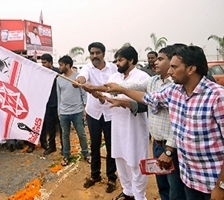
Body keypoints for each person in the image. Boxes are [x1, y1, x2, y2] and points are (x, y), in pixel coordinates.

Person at [105, 45, 224, 200]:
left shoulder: (217, 97)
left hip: (213, 182)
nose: (169, 71)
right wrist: (122, 90)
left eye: (174, 67)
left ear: (191, 69)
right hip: (189, 179)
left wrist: (221, 186)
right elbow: (149, 98)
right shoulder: (175, 91)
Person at [107, 45, 186, 200]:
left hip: (169, 146)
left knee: (175, 189)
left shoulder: (174, 86)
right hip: (157, 144)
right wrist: (94, 88)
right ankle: (128, 191)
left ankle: (138, 195)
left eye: (160, 59)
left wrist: (169, 150)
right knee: (163, 186)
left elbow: (149, 103)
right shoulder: (153, 81)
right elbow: (121, 88)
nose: (155, 62)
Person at [83, 46, 150, 200]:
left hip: (135, 128)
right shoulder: (114, 77)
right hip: (117, 126)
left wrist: (122, 102)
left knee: (135, 161)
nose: (117, 63)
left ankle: (139, 196)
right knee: (120, 157)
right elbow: (107, 96)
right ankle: (128, 192)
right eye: (117, 60)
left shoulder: (142, 77)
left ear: (131, 60)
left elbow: (146, 104)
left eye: (120, 60)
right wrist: (97, 94)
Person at [74, 42, 118, 193]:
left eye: (97, 53)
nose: (94, 56)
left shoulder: (113, 68)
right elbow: (82, 77)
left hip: (111, 112)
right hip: (94, 113)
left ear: (103, 54)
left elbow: (115, 87)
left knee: (112, 146)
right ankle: (95, 175)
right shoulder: (87, 67)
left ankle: (112, 177)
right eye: (92, 53)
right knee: (95, 145)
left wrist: (102, 96)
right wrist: (78, 82)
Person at [56, 55, 91, 166]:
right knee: (65, 135)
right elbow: (59, 97)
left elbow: (84, 94)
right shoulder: (59, 79)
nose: (59, 67)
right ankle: (66, 156)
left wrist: (85, 109)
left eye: (61, 65)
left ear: (68, 65)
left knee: (81, 134)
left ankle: (86, 153)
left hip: (77, 111)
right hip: (64, 112)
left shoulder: (78, 78)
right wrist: (59, 112)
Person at [38, 53, 62, 155]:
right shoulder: (41, 73)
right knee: (50, 127)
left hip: (59, 104)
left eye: (45, 63)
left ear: (51, 62)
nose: (43, 65)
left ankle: (64, 148)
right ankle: (51, 146)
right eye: (42, 63)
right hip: (47, 104)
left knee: (61, 128)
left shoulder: (58, 72)